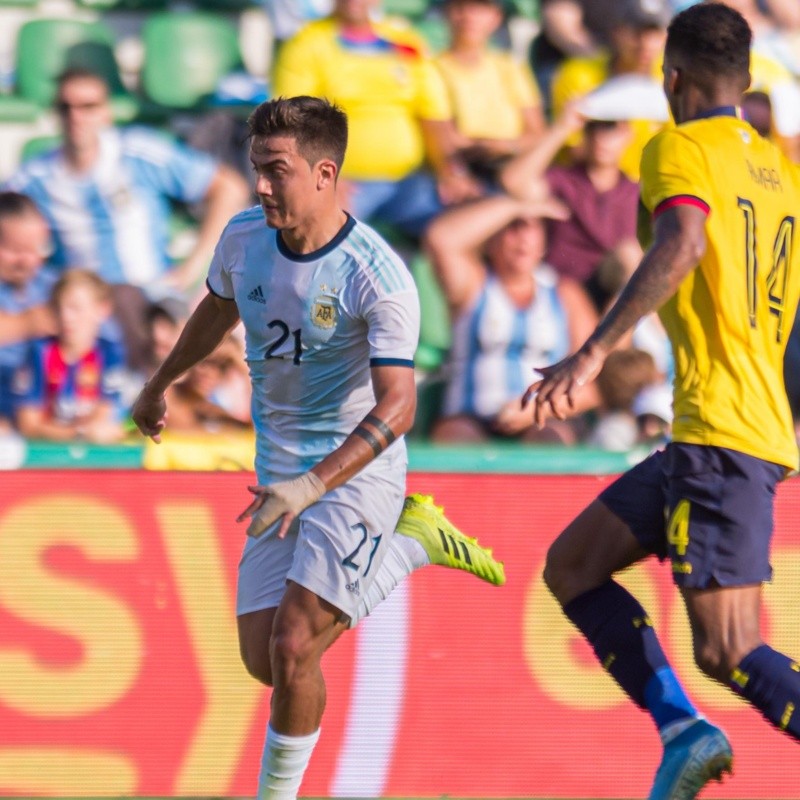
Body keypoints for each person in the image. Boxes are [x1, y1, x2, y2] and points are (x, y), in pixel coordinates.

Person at [130, 95, 504, 800]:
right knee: (265, 658)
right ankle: (413, 543)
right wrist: (159, 384)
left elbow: (399, 407)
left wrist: (314, 486)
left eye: (276, 170)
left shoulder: (376, 275)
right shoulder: (243, 238)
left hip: (357, 471)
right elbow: (216, 307)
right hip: (280, 467)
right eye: (255, 170)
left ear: (324, 172)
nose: (262, 186)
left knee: (297, 644)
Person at [528, 4, 800, 797]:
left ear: (670, 80)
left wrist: (593, 351)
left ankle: (690, 720)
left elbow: (681, 243)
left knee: (728, 648)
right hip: (730, 427)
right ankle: (683, 732)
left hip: (723, 429)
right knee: (573, 565)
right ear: (746, 83)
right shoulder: (777, 171)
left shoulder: (676, 146)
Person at [4, 68, 250, 370]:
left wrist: (194, 266)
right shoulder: (35, 177)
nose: (75, 116)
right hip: (84, 309)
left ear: (106, 112)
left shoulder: (137, 151)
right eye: (65, 107)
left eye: (87, 106)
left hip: (154, 294)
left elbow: (229, 188)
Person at [271, 0, 482, 240]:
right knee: (321, 230)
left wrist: (452, 171)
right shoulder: (305, 44)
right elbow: (292, 123)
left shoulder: (406, 42)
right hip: (344, 183)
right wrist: (321, 178)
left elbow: (433, 117)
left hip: (411, 182)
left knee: (471, 222)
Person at [424, 191, 599, 444]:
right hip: (469, 418)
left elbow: (592, 384)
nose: (523, 239)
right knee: (457, 441)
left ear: (544, 241)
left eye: (531, 228)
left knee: (551, 441)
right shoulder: (473, 285)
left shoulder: (566, 294)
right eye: (512, 228)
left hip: (542, 419)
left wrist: (535, 409)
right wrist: (519, 203)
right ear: (490, 239)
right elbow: (440, 239)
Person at [500, 101, 641, 312]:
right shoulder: (563, 180)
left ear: (628, 134)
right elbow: (513, 181)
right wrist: (563, 126)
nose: (601, 138)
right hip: (560, 291)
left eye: (612, 128)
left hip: (614, 295)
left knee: (630, 256)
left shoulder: (635, 191)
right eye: (594, 127)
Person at [549, 0, 672, 179]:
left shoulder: (673, 79)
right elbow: (573, 150)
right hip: (589, 190)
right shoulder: (578, 75)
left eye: (655, 34)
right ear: (616, 32)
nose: (646, 44)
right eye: (636, 33)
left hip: (653, 191)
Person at [434, 0, 546, 186]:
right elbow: (444, 135)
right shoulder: (433, 68)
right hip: (467, 168)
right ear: (446, 13)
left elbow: (537, 133)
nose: (469, 16)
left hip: (512, 166)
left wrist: (504, 146)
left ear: (496, 18)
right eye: (460, 8)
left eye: (479, 9)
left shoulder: (510, 67)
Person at [13, 269, 127, 443]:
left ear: (102, 310)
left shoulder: (110, 353)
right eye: (59, 307)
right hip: (47, 456)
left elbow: (103, 418)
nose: (66, 317)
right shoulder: (39, 352)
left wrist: (86, 432)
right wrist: (78, 433)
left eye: (75, 308)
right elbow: (28, 425)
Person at [0, 192, 56, 431]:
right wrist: (26, 324)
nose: (25, 261)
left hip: (45, 414)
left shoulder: (53, 286)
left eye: (33, 250)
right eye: (14, 250)